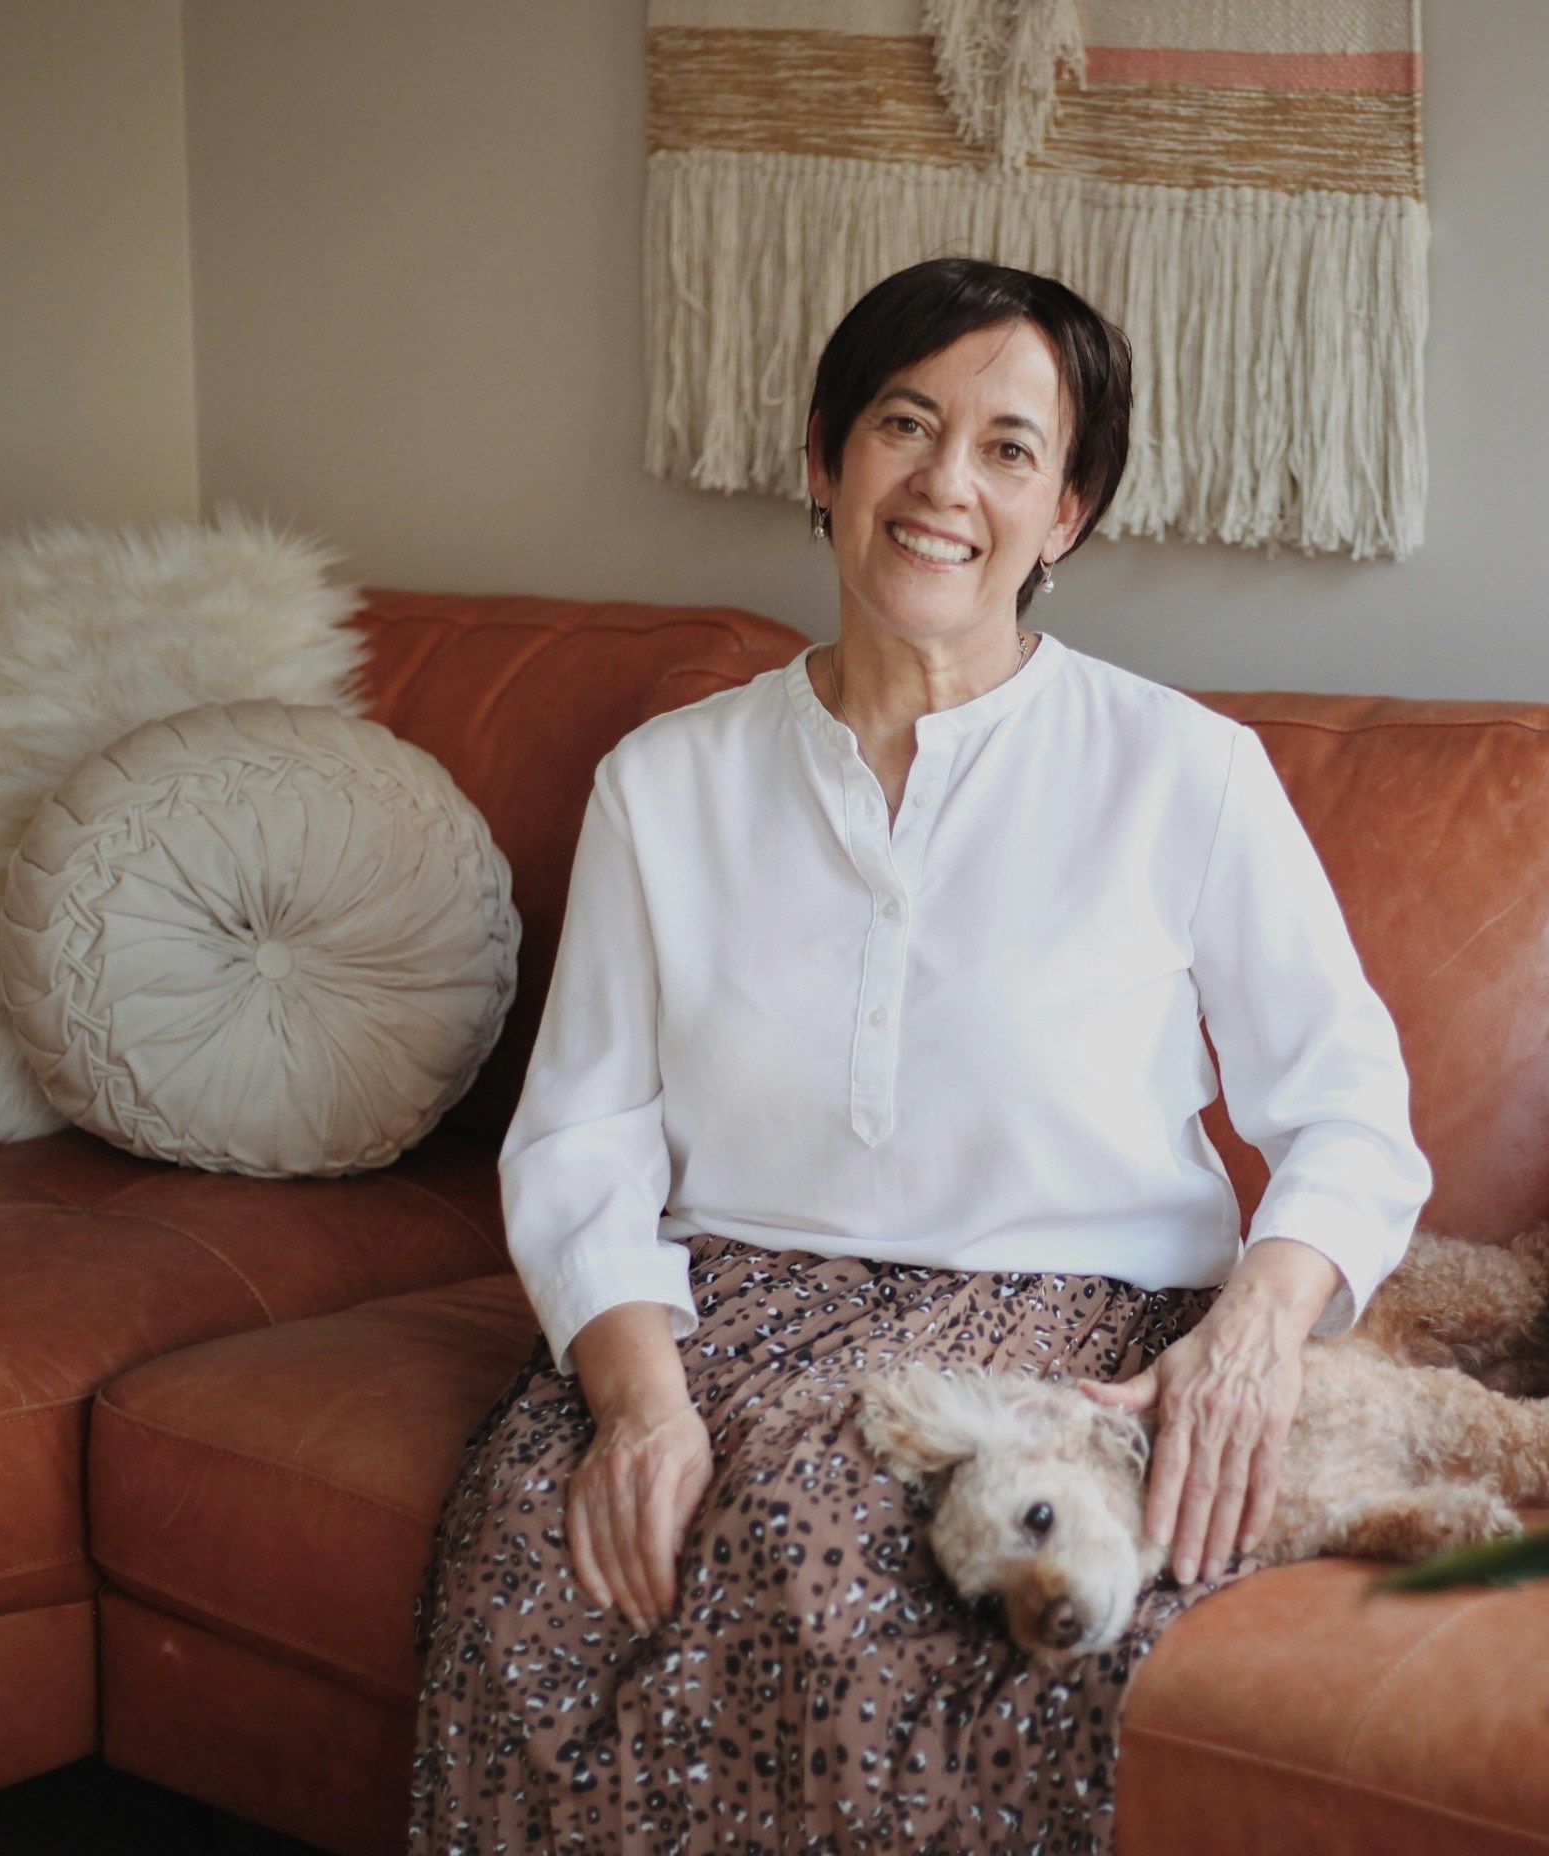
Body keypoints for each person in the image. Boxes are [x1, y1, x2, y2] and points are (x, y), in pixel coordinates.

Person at [408, 256, 1435, 1855]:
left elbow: (1353, 1113)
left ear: (1069, 512)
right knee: (536, 1560)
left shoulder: (1186, 774)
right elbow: (582, 1135)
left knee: (861, 1580)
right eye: (906, 423)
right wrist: (637, 1406)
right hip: (726, 1302)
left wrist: (1259, 1331)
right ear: (826, 461)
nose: (947, 484)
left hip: (1068, 1318)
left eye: (1012, 448)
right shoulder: (665, 784)